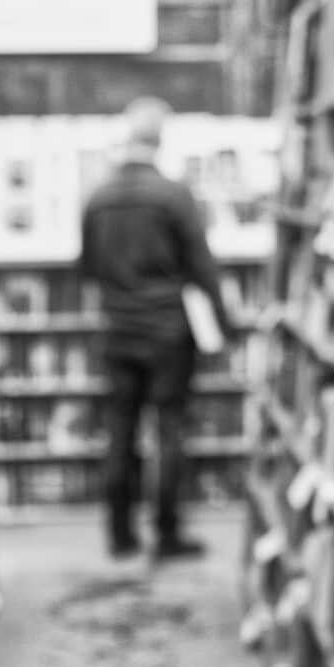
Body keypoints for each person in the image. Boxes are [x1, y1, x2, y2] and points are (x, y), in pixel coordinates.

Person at [79, 98, 231, 561]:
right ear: (160, 139)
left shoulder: (97, 197)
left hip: (117, 331)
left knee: (120, 431)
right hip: (167, 333)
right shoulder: (173, 195)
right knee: (168, 430)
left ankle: (120, 535)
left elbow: (86, 268)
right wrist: (224, 324)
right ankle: (166, 534)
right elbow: (202, 268)